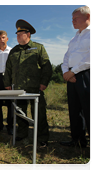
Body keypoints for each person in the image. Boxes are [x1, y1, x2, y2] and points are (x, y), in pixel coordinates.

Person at [3, 19, 52, 147]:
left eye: (21, 34)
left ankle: (42, 137)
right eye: (17, 34)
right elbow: (7, 68)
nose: (18, 36)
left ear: (28, 34)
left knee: (39, 113)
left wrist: (44, 83)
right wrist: (7, 83)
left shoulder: (38, 48)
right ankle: (22, 134)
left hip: (36, 87)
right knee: (20, 113)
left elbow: (47, 67)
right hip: (19, 88)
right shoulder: (14, 51)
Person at [60, 6, 92, 148]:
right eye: (72, 19)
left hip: (87, 74)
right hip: (72, 75)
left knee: (89, 109)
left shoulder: (92, 34)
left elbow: (91, 58)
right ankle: (78, 140)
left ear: (87, 17)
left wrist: (73, 72)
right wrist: (66, 72)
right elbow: (67, 57)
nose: (72, 21)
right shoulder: (74, 38)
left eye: (75, 19)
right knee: (74, 109)